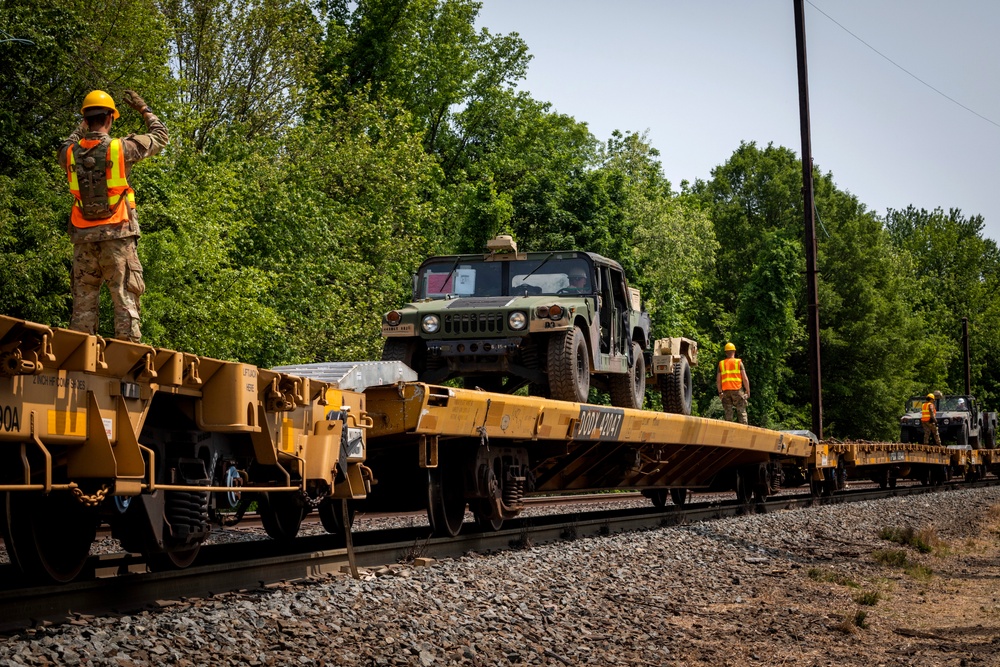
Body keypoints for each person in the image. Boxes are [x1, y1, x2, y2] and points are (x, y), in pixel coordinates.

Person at [57, 89, 168, 343]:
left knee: (83, 307)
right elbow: (160, 136)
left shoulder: (69, 154)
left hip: (83, 238)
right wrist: (144, 109)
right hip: (117, 234)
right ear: (110, 118)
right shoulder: (121, 148)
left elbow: (65, 143)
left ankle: (79, 357)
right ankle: (126, 363)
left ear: (86, 119)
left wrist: (81, 125)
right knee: (125, 299)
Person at [716, 342, 750, 425]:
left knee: (728, 414)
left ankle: (728, 430)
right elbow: (745, 378)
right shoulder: (738, 363)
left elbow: (718, 380)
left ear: (726, 353)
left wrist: (720, 392)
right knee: (741, 411)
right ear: (734, 352)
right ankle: (744, 431)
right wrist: (748, 391)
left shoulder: (721, 364)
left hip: (726, 391)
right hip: (737, 390)